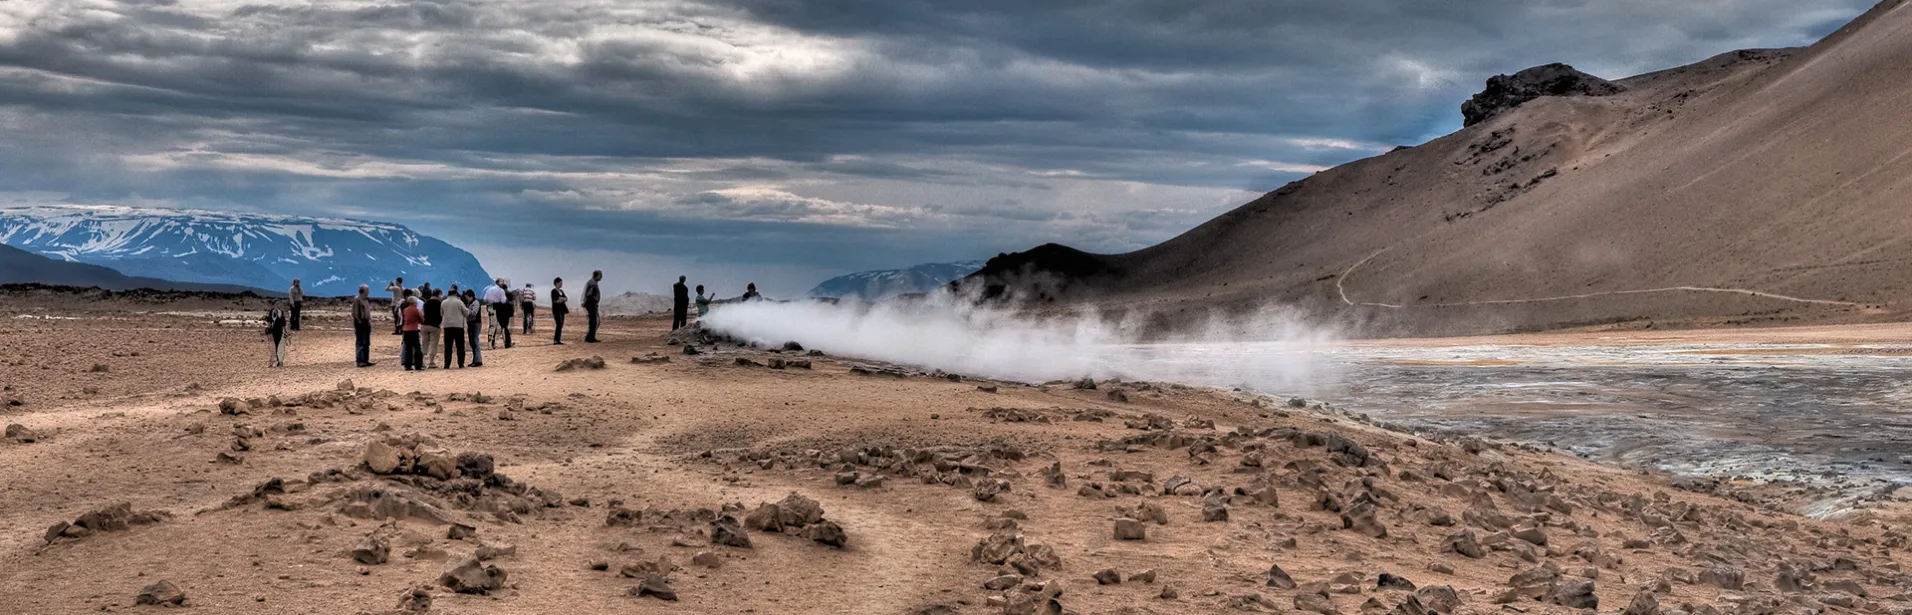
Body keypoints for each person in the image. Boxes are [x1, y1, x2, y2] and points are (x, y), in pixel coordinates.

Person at [440, 289, 468, 368]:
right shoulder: (459, 302)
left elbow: (441, 313)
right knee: (460, 346)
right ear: (456, 294)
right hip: (458, 326)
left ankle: (447, 364)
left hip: (447, 326)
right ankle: (461, 363)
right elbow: (466, 312)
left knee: (448, 346)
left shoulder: (443, 302)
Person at [484, 278, 514, 349]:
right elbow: (503, 301)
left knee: (492, 326)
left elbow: (485, 299)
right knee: (504, 326)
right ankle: (507, 344)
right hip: (499, 308)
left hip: (490, 308)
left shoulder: (489, 289)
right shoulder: (501, 291)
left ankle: (490, 344)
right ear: (500, 283)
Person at [352, 284, 376, 367]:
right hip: (360, 323)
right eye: (367, 290)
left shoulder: (365, 300)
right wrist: (359, 321)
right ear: (363, 291)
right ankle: (360, 360)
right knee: (360, 342)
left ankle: (365, 360)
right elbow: (354, 312)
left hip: (366, 322)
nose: (369, 292)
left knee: (366, 342)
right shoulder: (357, 299)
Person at [400, 291, 424, 371]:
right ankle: (418, 365)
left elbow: (403, 319)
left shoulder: (405, 310)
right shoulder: (416, 310)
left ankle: (408, 365)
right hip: (414, 330)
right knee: (417, 348)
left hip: (406, 330)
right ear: (414, 303)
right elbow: (422, 319)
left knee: (408, 348)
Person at [421, 289, 443, 369]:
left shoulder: (426, 302)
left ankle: (422, 361)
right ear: (439, 294)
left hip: (424, 325)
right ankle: (431, 362)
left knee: (424, 343)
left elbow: (422, 313)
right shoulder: (440, 303)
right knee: (434, 344)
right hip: (434, 325)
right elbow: (442, 314)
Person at [264, 302, 289, 368]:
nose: (277, 306)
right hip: (272, 332)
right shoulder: (271, 312)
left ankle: (280, 362)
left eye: (279, 305)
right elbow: (269, 322)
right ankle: (273, 362)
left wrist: (285, 332)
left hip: (279, 332)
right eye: (276, 304)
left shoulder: (281, 313)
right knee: (273, 348)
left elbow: (283, 324)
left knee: (280, 347)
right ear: (274, 305)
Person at [463, 289, 485, 367]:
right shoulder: (470, 303)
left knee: (475, 341)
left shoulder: (476, 303)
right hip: (471, 323)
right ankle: (475, 360)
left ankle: (478, 360)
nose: (466, 298)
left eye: (466, 297)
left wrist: (465, 311)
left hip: (475, 324)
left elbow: (473, 313)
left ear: (470, 296)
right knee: (472, 342)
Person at [583, 270, 602, 343]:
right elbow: (589, 294)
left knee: (593, 321)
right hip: (591, 304)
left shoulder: (592, 282)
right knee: (594, 321)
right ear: (596, 275)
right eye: (600, 276)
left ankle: (590, 337)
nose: (601, 278)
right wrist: (594, 301)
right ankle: (590, 338)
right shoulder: (593, 283)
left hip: (591, 304)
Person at [550, 277, 568, 345]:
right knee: (559, 324)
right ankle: (556, 340)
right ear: (556, 283)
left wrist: (561, 299)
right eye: (560, 283)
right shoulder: (553, 291)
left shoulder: (561, 291)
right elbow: (556, 300)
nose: (561, 284)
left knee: (561, 324)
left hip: (562, 310)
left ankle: (558, 340)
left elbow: (566, 298)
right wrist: (561, 299)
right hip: (556, 310)